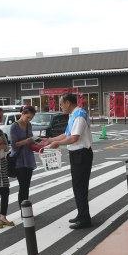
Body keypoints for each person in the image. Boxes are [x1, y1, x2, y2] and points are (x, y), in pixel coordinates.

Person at [45, 93, 93, 229]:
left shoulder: (79, 115)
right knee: (77, 186)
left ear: (68, 102)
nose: (61, 107)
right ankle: (81, 214)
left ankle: (85, 219)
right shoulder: (73, 115)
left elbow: (74, 138)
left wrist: (57, 144)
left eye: (61, 104)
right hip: (77, 154)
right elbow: (66, 135)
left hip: (81, 154)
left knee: (80, 187)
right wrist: (50, 140)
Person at [10, 105, 37, 206]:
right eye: (28, 117)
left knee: (27, 185)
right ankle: (23, 209)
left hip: (28, 158)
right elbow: (13, 145)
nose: (29, 120)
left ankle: (26, 208)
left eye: (31, 118)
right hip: (19, 159)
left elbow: (30, 140)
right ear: (22, 114)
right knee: (23, 185)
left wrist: (36, 142)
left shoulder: (29, 125)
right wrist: (26, 141)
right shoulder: (14, 126)